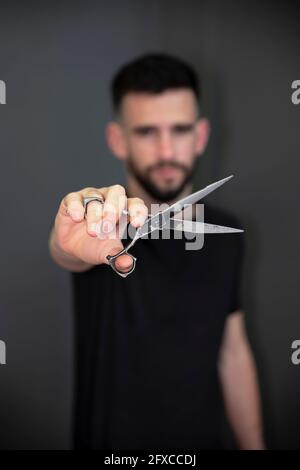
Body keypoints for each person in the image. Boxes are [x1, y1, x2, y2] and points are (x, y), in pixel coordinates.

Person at [49, 53, 265, 450]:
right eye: (147, 132)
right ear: (118, 139)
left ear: (200, 136)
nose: (166, 150)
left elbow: (232, 350)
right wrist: (71, 236)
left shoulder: (228, 236)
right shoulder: (101, 227)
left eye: (179, 130)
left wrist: (254, 445)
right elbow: (68, 253)